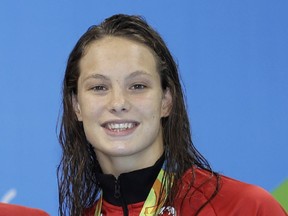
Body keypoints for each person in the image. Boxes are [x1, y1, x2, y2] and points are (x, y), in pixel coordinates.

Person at [57, 14, 287, 216]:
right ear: (76, 106)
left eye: (137, 86)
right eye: (99, 87)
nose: (118, 103)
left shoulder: (244, 208)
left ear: (166, 101)